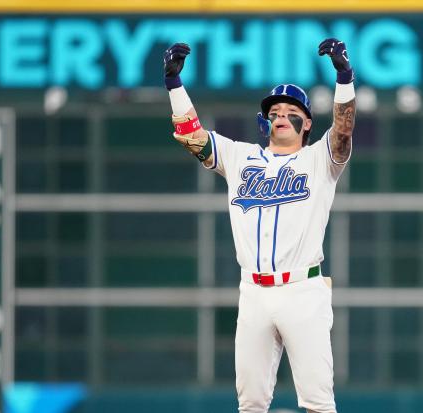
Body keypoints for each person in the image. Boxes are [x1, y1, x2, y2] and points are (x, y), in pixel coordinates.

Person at [163, 38, 355, 413]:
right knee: (250, 403)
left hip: (303, 288)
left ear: (307, 123)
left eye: (290, 110)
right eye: (275, 110)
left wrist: (344, 76)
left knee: (318, 402)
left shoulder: (320, 160)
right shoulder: (240, 156)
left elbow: (344, 131)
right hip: (253, 291)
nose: (280, 115)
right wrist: (174, 84)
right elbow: (192, 136)